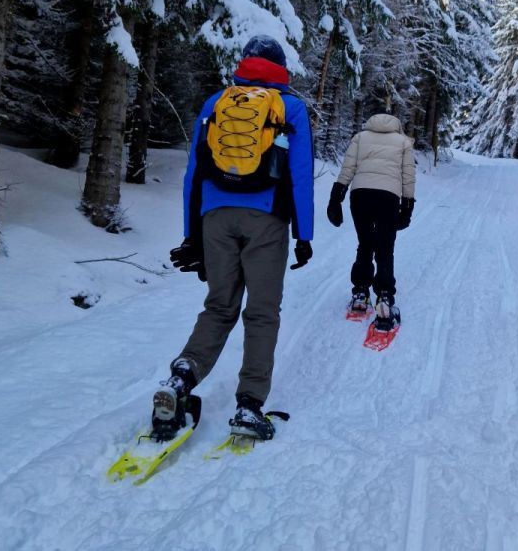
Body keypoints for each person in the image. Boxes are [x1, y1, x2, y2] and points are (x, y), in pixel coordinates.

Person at [161, 35, 314, 441]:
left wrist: (192, 233)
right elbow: (299, 176)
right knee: (262, 312)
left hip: (214, 217)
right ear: (281, 68)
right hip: (266, 220)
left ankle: (181, 377)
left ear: (244, 64)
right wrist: (304, 235)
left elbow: (193, 173)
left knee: (219, 305)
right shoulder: (291, 108)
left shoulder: (216, 103)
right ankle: (249, 407)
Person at [326, 113, 415, 330]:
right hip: (388, 197)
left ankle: (360, 293)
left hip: (361, 195)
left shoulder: (360, 137)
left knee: (365, 243)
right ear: (396, 125)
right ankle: (384, 297)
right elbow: (408, 175)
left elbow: (348, 168)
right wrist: (407, 206)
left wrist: (335, 198)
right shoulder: (403, 141)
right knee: (385, 247)